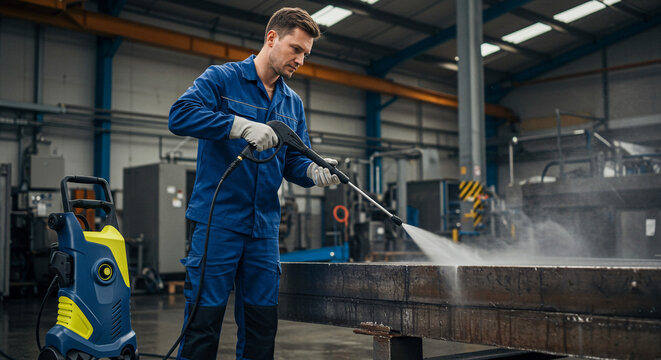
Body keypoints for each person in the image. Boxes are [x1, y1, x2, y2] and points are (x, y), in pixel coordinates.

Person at [168, 7, 340, 360]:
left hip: (264, 229)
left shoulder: (293, 103)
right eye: (295, 49)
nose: (300, 61)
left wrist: (313, 173)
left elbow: (293, 160)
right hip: (219, 223)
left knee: (262, 325)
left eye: (306, 54)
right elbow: (179, 114)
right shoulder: (222, 79)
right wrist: (238, 125)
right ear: (272, 38)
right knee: (204, 320)